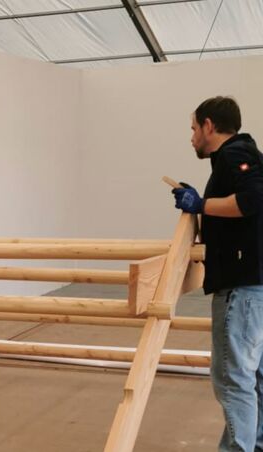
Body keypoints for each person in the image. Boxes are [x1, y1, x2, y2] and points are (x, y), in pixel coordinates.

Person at [171, 96, 263, 452]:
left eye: (194, 128)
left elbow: (253, 199)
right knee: (252, 376)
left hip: (241, 287)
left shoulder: (233, 155)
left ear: (210, 125)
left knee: (233, 377)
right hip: (253, 284)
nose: (192, 136)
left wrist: (201, 205)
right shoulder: (245, 154)